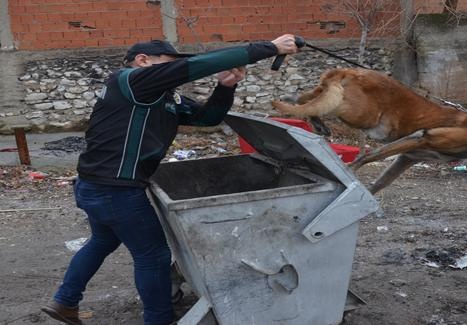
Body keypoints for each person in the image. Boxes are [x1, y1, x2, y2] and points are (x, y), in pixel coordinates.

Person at [41, 34, 298, 325]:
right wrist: (269, 48)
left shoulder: (161, 96)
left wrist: (226, 86)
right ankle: (159, 319)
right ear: (143, 61)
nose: (174, 71)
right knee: (153, 256)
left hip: (97, 186)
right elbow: (199, 65)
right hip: (116, 189)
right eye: (168, 64)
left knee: (102, 241)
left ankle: (65, 302)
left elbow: (207, 118)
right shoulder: (130, 81)